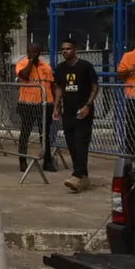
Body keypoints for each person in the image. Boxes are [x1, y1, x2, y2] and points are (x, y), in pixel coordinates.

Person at [53, 39, 99, 193]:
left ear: (75, 50)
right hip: (69, 111)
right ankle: (82, 176)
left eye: (68, 48)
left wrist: (88, 105)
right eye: (63, 49)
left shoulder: (85, 66)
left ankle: (78, 174)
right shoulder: (60, 68)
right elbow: (59, 88)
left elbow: (94, 87)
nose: (65, 51)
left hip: (83, 110)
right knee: (71, 143)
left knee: (81, 143)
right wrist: (57, 106)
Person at [16, 44, 57, 173]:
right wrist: (30, 62)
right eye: (29, 52)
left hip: (45, 104)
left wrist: (56, 104)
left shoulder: (46, 67)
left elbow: (52, 86)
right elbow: (25, 76)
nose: (30, 54)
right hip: (28, 104)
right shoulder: (22, 64)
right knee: (25, 133)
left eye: (34, 52)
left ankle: (47, 161)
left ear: (39, 53)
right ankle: (22, 161)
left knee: (44, 134)